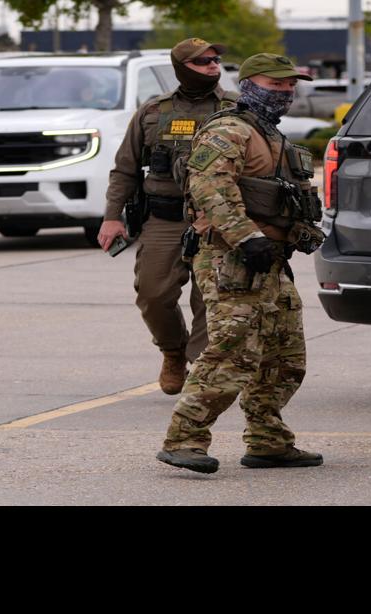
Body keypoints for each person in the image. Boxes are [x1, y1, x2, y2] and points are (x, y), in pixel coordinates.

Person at [156, 53, 326, 474]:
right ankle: (185, 439)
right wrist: (246, 237)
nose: (286, 92)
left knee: (284, 356)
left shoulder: (272, 136)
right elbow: (211, 188)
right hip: (232, 259)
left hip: (271, 260)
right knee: (233, 353)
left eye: (291, 86)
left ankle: (268, 441)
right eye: (276, 85)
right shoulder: (229, 130)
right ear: (249, 85)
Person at [100, 39, 238, 395]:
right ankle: (173, 351)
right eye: (202, 61)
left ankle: (201, 366)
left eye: (215, 60)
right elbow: (125, 170)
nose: (213, 65)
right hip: (164, 217)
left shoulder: (236, 109)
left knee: (209, 298)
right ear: (180, 67)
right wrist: (112, 216)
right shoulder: (152, 112)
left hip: (217, 219)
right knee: (153, 294)